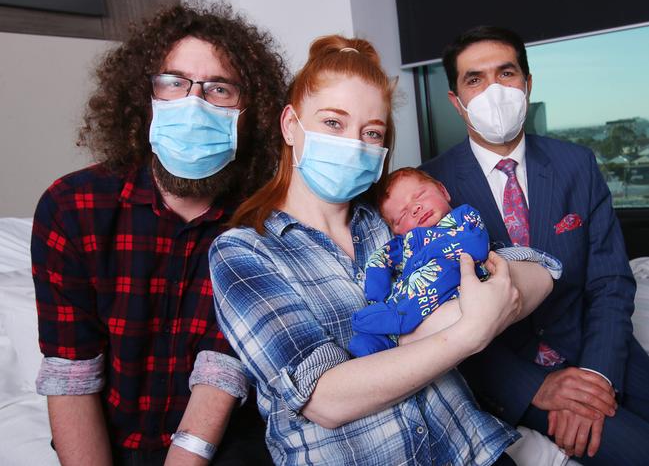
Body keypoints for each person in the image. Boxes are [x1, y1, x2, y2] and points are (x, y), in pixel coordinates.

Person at [210, 34, 555, 465]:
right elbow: (325, 400)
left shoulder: (391, 224)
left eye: (371, 132)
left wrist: (471, 307)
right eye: (333, 123)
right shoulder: (243, 252)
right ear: (290, 126)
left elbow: (536, 268)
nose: (354, 143)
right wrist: (470, 329)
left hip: (472, 451)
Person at [31, 2, 287, 466]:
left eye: (219, 89)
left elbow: (223, 368)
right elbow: (71, 372)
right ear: (143, 96)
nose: (194, 103)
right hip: (109, 440)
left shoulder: (264, 219)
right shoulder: (72, 207)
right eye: (173, 82)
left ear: (253, 111)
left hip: (223, 443)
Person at [421, 25, 649, 464]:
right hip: (513, 374)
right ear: (456, 101)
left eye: (505, 74)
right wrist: (535, 388)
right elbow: (436, 321)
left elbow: (610, 283)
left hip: (593, 349)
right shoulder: (431, 189)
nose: (493, 90)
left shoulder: (575, 164)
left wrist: (597, 373)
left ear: (527, 84)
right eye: (474, 79)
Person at [349, 167, 562, 357]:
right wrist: (376, 299)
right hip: (414, 296)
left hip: (457, 282)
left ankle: (398, 319)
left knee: (442, 269)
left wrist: (428, 251)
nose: (415, 209)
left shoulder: (463, 218)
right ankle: (383, 337)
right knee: (381, 318)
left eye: (420, 196)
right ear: (396, 230)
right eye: (402, 215)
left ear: (443, 191)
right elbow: (378, 261)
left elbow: (475, 246)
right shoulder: (403, 243)